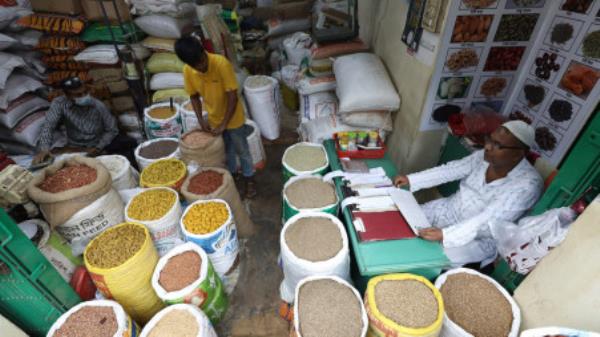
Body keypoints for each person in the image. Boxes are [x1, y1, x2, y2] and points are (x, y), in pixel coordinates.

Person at [394, 121, 544, 267]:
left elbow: (488, 220)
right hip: (448, 209)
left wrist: (447, 235)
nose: (487, 147)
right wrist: (412, 179)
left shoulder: (527, 184)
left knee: (425, 260)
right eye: (489, 139)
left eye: (497, 145)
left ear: (518, 154)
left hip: (477, 238)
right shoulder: (484, 157)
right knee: (399, 222)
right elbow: (452, 169)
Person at [175, 35, 257, 198]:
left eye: (202, 60)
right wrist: (201, 122)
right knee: (227, 151)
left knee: (242, 149)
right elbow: (193, 96)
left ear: (203, 52)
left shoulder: (220, 63)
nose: (202, 66)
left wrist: (224, 123)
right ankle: (233, 177)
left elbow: (233, 96)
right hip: (214, 118)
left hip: (233, 118)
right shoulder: (188, 71)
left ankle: (250, 179)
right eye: (197, 65)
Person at [32, 76, 136, 166]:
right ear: (67, 96)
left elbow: (112, 130)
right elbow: (48, 126)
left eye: (85, 92)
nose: (84, 96)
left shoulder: (97, 105)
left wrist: (98, 148)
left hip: (99, 142)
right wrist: (44, 149)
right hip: (77, 146)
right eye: (78, 95)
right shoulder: (60, 104)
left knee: (128, 145)